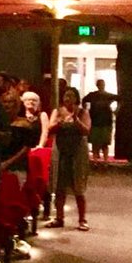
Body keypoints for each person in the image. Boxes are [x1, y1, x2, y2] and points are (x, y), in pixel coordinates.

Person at [47, 87, 93, 230]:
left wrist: (76, 120)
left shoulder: (83, 112)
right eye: (66, 95)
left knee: (78, 186)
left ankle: (82, 219)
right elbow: (50, 128)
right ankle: (59, 217)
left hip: (77, 151)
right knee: (59, 186)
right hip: (61, 151)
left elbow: (86, 130)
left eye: (71, 96)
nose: (68, 98)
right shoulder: (58, 111)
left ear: (76, 98)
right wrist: (59, 123)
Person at [82, 79, 118, 166]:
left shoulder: (107, 95)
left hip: (105, 121)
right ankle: (96, 160)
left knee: (104, 142)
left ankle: (105, 160)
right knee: (95, 142)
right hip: (95, 120)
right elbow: (84, 100)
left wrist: (117, 110)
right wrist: (85, 110)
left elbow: (119, 99)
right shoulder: (93, 95)